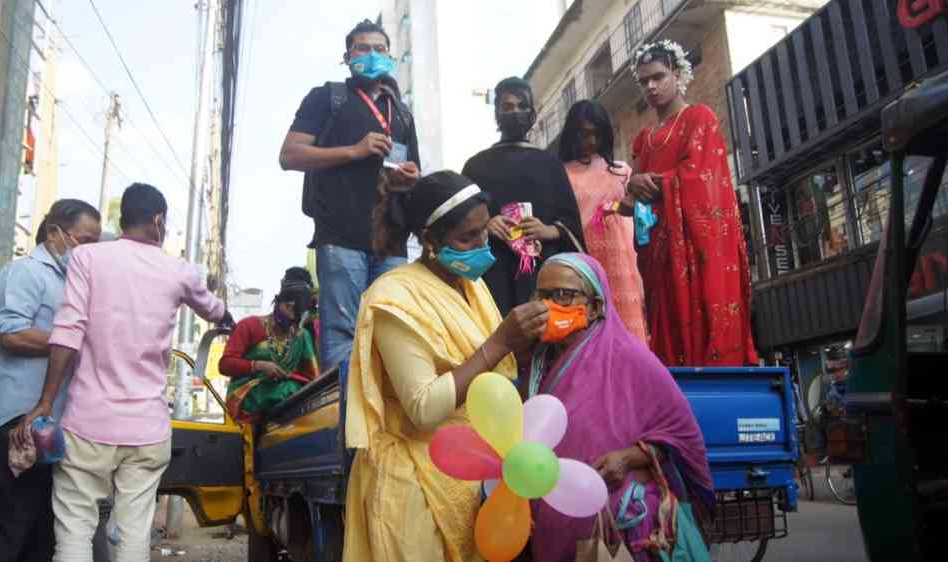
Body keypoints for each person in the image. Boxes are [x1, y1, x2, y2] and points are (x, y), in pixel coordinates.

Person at [14, 184, 231, 561]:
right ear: (159, 220)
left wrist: (45, 402)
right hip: (146, 430)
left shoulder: (88, 259)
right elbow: (215, 311)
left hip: (87, 426)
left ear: (120, 219)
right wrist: (226, 315)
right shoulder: (178, 271)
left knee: (74, 532)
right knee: (133, 534)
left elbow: (68, 331)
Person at [343, 171, 547, 561]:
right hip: (418, 490)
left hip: (475, 480)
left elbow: (492, 377)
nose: (482, 247)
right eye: (467, 239)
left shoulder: (472, 287)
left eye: (484, 234)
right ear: (430, 240)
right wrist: (501, 341)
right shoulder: (395, 296)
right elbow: (423, 408)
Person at [524, 253, 713, 562]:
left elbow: (681, 437)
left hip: (619, 531)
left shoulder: (630, 358)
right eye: (542, 295)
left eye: (563, 295)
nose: (548, 305)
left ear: (596, 306)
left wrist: (627, 458)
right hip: (553, 528)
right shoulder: (538, 364)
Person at [280, 19, 421, 371]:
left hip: (392, 242)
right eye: (362, 48)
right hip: (341, 238)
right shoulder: (328, 97)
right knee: (343, 336)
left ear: (390, 56)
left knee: (392, 336)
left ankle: (381, 424)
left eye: (379, 49)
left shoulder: (401, 112)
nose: (372, 55)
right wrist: (354, 151)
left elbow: (412, 170)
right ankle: (345, 423)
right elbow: (290, 155)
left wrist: (410, 179)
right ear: (347, 57)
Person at [0, 200, 101, 562]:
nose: (88, 250)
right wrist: (70, 342)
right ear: (54, 233)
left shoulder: (70, 280)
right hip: (20, 420)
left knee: (42, 533)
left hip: (55, 423)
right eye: (83, 240)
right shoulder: (27, 273)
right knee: (7, 529)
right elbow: (11, 335)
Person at [623, 40, 758, 366]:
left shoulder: (699, 118)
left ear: (678, 73)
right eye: (644, 81)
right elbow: (633, 201)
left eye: (658, 76)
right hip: (658, 253)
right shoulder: (644, 139)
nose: (651, 87)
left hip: (697, 250)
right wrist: (631, 187)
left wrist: (653, 185)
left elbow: (702, 179)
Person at [462, 76, 584, 317]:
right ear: (496, 113)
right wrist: (486, 224)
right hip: (493, 271)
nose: (514, 112)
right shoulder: (476, 166)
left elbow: (571, 221)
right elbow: (460, 222)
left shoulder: (550, 164)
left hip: (542, 269)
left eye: (521, 106)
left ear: (531, 113)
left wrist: (548, 230)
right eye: (507, 107)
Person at [558, 100, 648, 343]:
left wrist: (618, 208)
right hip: (583, 262)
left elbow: (640, 216)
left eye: (597, 134)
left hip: (622, 267)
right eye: (584, 134)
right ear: (572, 134)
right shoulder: (561, 174)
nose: (590, 142)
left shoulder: (621, 172)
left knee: (628, 335)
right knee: (587, 334)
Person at [219, 267, 319, 423]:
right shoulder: (249, 325)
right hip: (246, 398)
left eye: (298, 302)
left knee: (299, 390)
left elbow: (312, 379)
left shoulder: (302, 336)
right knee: (291, 389)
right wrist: (259, 366)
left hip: (286, 399)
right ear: (279, 298)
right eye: (288, 298)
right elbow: (224, 365)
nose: (291, 305)